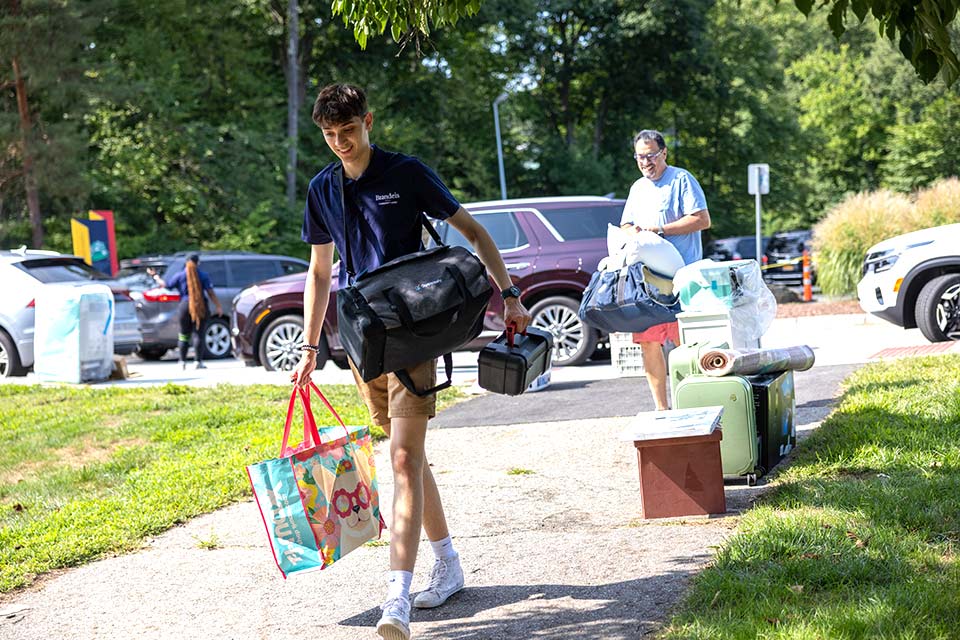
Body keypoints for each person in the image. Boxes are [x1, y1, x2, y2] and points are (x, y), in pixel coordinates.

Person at [290, 83, 531, 640]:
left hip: (414, 334)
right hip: (361, 340)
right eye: (329, 136)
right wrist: (309, 347)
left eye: (347, 131)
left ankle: (395, 598)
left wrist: (510, 294)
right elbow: (320, 273)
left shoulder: (407, 173)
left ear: (367, 121)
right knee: (409, 459)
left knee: (401, 460)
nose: (340, 144)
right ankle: (448, 562)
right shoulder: (322, 188)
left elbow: (470, 231)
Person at [619, 129, 710, 410]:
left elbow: (702, 219)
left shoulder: (682, 179)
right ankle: (662, 408)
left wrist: (659, 229)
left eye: (650, 155)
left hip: (683, 278)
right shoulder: (637, 188)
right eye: (640, 157)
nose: (646, 162)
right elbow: (625, 223)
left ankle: (694, 404)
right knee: (649, 343)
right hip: (648, 282)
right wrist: (632, 230)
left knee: (686, 344)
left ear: (664, 153)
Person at [148, 255, 223, 370]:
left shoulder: (180, 275)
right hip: (200, 307)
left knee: (183, 335)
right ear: (198, 263)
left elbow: (166, 285)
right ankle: (198, 362)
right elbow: (210, 292)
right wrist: (218, 306)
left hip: (184, 307)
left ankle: (182, 361)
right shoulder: (203, 275)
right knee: (199, 334)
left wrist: (155, 276)